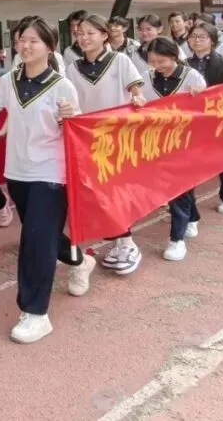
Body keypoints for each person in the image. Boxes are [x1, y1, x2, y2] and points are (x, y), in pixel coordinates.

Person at [0, 16, 93, 343]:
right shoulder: (10, 80)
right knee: (41, 237)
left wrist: (70, 117)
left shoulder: (62, 86)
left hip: (51, 174)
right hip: (17, 173)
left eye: (33, 40)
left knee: (34, 242)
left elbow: (77, 130)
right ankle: (79, 259)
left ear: (49, 46)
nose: (26, 46)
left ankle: (35, 312)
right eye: (21, 40)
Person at [66, 14, 147, 276]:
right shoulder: (73, 68)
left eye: (90, 33)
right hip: (87, 139)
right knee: (99, 192)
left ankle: (126, 242)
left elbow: (136, 90)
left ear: (104, 35)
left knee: (115, 191)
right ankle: (118, 239)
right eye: (80, 33)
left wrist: (138, 99)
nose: (84, 38)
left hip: (117, 137)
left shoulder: (120, 60)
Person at [141, 37, 208, 261]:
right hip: (159, 142)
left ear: (173, 56)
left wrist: (201, 97)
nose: (157, 66)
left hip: (187, 142)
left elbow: (207, 109)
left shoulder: (192, 77)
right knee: (178, 186)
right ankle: (193, 216)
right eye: (153, 62)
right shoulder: (148, 77)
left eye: (162, 61)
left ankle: (176, 239)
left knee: (177, 188)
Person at [184, 22, 223, 215]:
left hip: (219, 119)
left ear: (212, 40)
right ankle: (186, 208)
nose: (197, 40)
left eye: (202, 37)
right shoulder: (184, 64)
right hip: (192, 120)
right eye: (193, 36)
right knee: (188, 163)